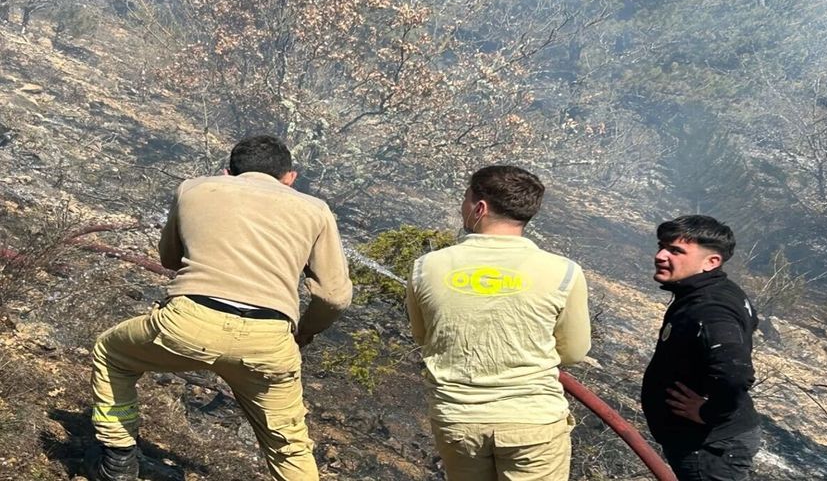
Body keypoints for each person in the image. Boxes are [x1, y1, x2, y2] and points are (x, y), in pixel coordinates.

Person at [85, 135, 353, 481]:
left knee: (111, 352)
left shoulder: (193, 189)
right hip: (269, 340)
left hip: (188, 324)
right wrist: (305, 331)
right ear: (290, 178)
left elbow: (169, 258)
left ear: (227, 172)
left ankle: (118, 460)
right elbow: (334, 296)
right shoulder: (315, 209)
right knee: (289, 446)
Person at [406, 165, 591, 481]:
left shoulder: (426, 267)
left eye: (465, 199)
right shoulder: (564, 272)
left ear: (480, 208)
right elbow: (574, 351)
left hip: (458, 421)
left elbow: (425, 337)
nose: (462, 207)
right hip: (533, 422)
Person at [641, 215, 761, 481]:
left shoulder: (710, 308)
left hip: (709, 448)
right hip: (708, 443)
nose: (660, 255)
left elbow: (735, 372)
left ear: (711, 262)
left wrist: (709, 412)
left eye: (675, 251)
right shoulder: (713, 292)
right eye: (661, 246)